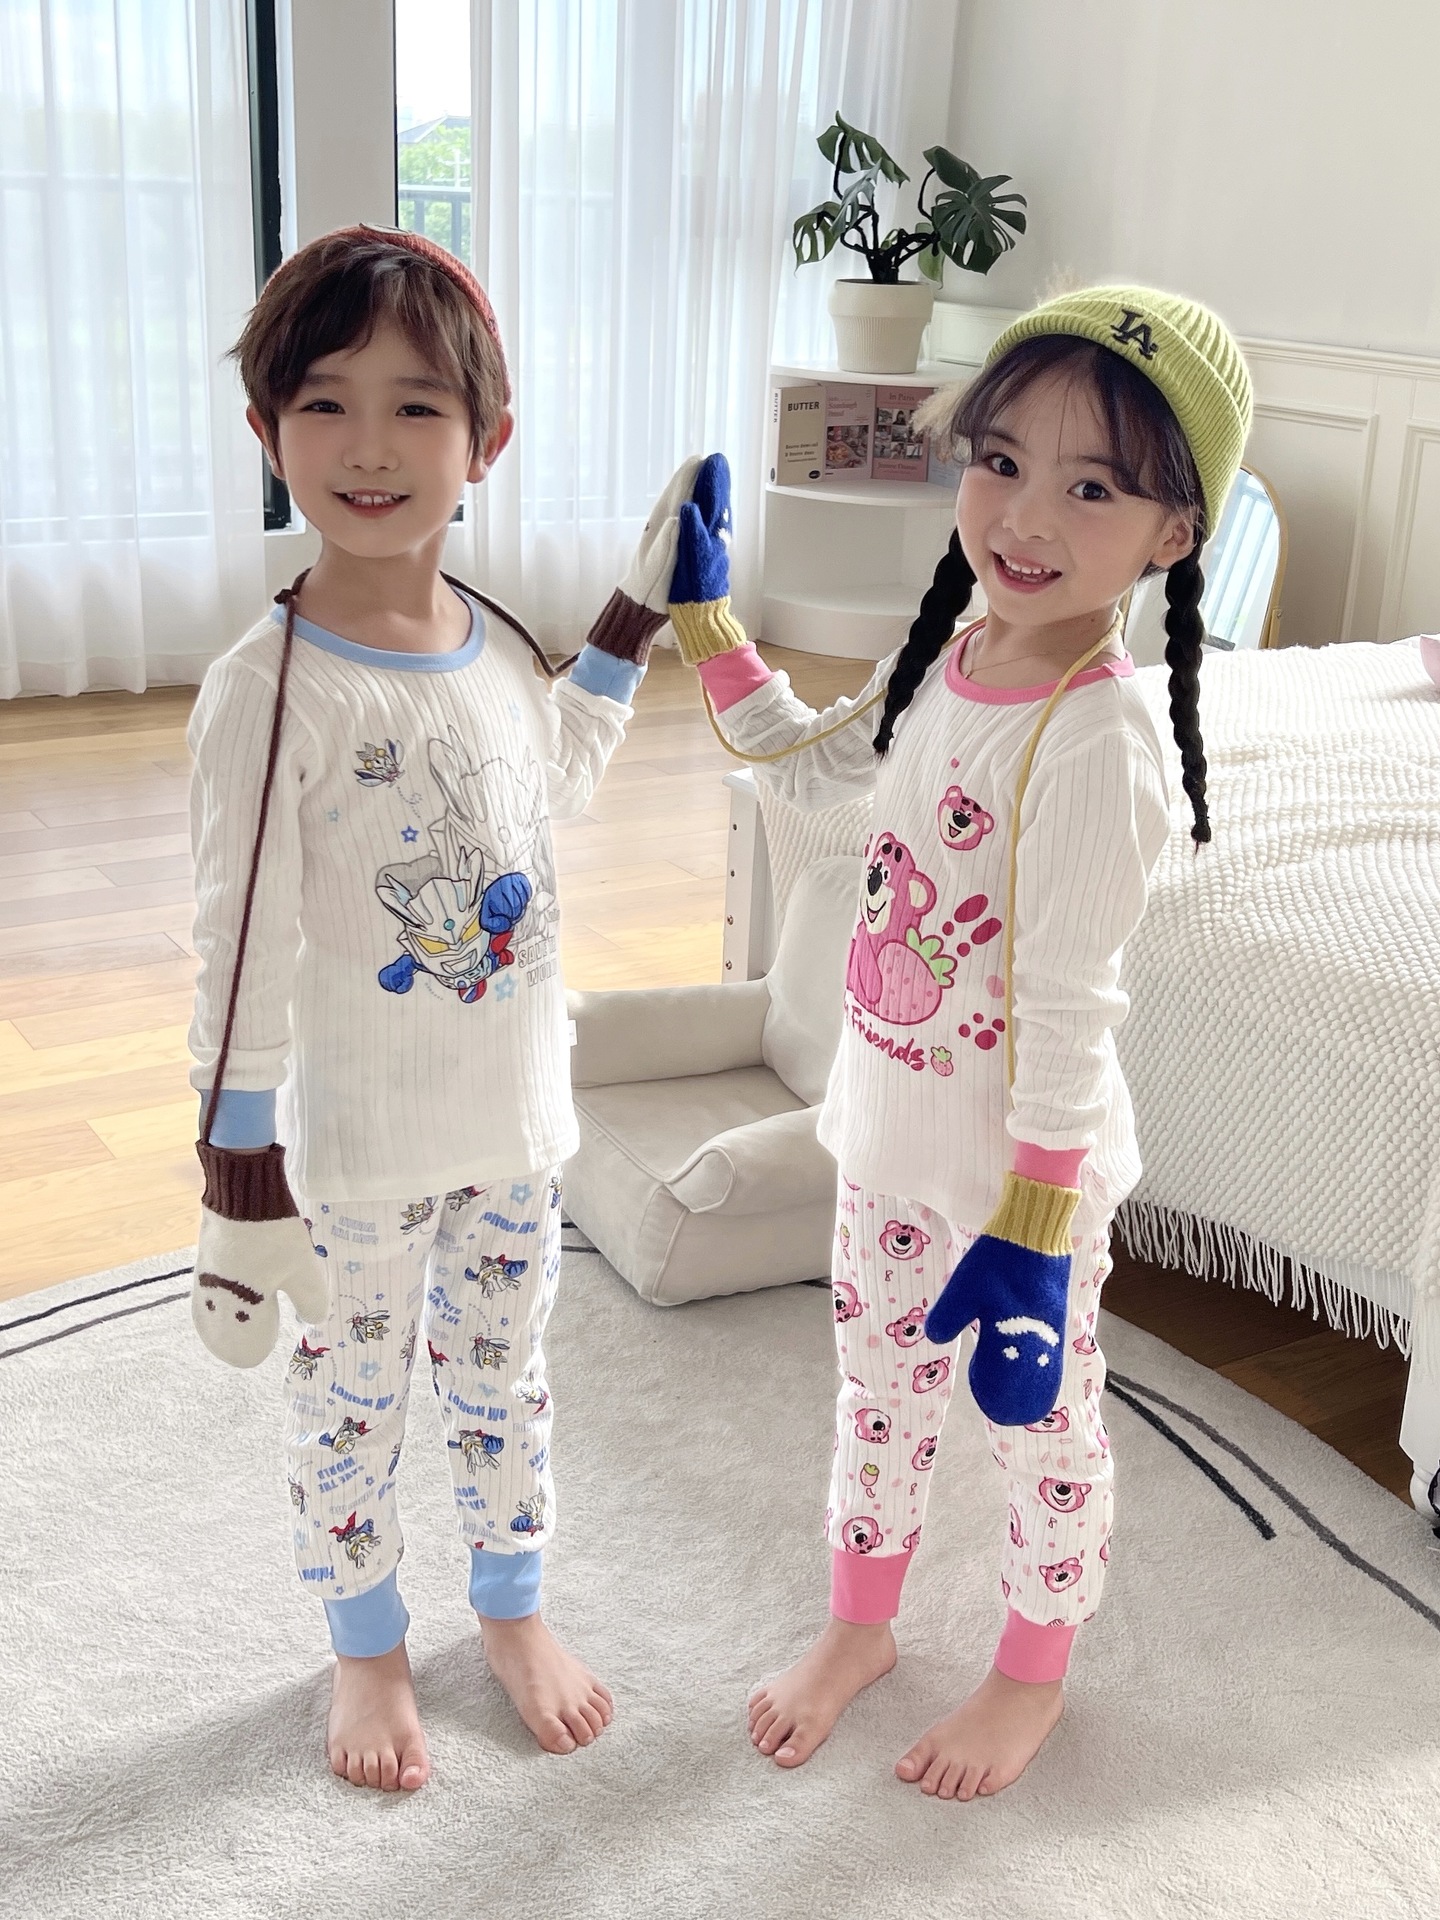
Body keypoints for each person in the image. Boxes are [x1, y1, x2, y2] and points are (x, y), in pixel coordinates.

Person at [665, 287, 1251, 1800]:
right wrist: (711, 632)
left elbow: (1070, 1007)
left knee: (1042, 1437)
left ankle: (1029, 1676)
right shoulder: (949, 652)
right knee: (878, 1393)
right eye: (1001, 462)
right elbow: (824, 786)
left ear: (1173, 533)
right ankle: (860, 1628)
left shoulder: (1098, 740)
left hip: (1017, 1190)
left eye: (1092, 488)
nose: (1027, 515)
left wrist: (1038, 1230)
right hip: (887, 1138)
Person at [186, 224, 698, 1793]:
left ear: (487, 440)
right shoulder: (269, 690)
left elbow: (553, 780)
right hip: (355, 1154)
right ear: (267, 430)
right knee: (354, 1400)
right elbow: (233, 955)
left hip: (514, 1130)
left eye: (417, 406)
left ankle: (511, 1604)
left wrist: (635, 615)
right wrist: (241, 1178)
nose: (370, 445)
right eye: (324, 404)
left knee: (503, 1377)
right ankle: (365, 1638)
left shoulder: (491, 642)